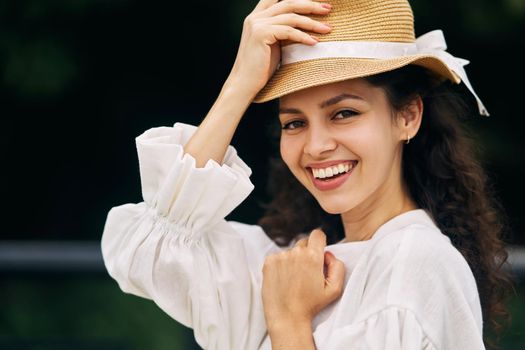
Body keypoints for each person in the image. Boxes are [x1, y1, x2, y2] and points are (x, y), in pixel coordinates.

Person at [101, 0, 514, 349]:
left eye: (344, 113)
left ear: (407, 116)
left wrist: (289, 324)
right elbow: (150, 250)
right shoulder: (294, 267)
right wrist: (239, 84)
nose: (316, 146)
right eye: (294, 123)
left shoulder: (415, 263)